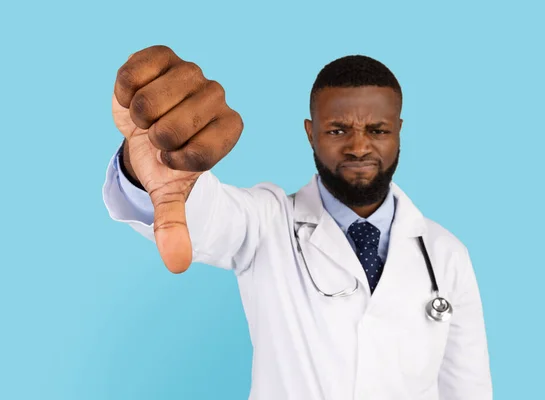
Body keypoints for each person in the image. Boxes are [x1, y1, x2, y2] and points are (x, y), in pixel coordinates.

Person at [103, 45, 493, 400]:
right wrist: (155, 172)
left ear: (399, 132)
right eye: (338, 130)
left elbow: (469, 390)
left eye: (378, 130)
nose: (359, 147)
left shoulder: (446, 255)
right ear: (310, 133)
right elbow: (208, 216)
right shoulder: (266, 224)